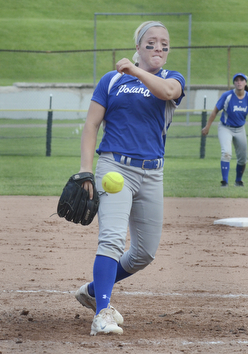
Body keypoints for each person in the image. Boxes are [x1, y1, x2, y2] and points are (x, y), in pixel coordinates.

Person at [74, 21, 185, 335]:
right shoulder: (110, 81)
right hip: (114, 169)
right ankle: (102, 314)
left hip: (153, 172)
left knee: (143, 252)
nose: (158, 48)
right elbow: (91, 126)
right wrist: (85, 170)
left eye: (164, 43)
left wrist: (135, 72)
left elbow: (166, 92)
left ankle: (94, 291)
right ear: (137, 47)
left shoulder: (172, 79)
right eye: (150, 42)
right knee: (111, 239)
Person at [201, 73, 248, 187]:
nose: (239, 82)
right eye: (236, 80)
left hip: (240, 129)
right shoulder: (227, 96)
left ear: (245, 83)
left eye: (241, 80)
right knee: (226, 153)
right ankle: (224, 181)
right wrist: (207, 126)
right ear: (234, 83)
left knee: (243, 158)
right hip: (225, 128)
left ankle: (238, 181)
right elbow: (215, 111)